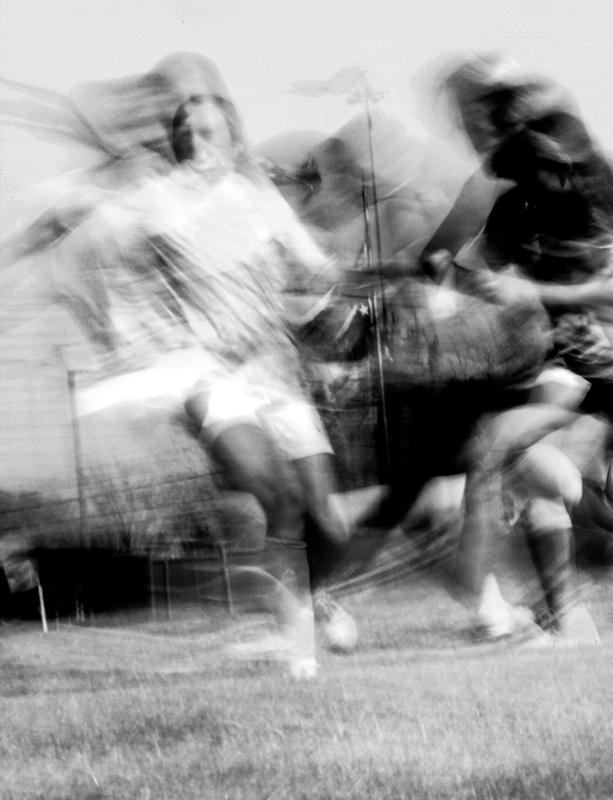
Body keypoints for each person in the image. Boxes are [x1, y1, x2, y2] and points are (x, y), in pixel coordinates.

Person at [1, 78, 356, 675]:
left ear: (232, 137)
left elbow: (315, 265)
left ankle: (315, 596)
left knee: (329, 523)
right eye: (184, 133)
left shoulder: (257, 195)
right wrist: (21, 249)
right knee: (279, 497)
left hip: (277, 375)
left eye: (206, 130)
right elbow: (73, 214)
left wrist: (339, 292)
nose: (195, 140)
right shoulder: (157, 198)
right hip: (207, 373)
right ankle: (294, 641)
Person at [430, 53, 613, 633]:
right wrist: (448, 283)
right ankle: (536, 600)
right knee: (518, 450)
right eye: (469, 124)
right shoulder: (509, 204)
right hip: (588, 361)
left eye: (485, 121)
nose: (478, 138)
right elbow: (452, 264)